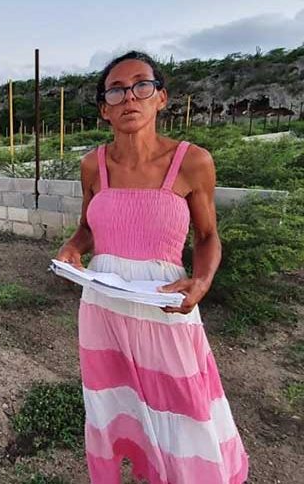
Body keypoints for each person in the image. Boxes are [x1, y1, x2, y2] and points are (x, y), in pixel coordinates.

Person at [55, 51, 249, 483]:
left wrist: (201, 280)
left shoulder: (192, 162)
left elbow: (206, 237)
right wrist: (72, 247)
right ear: (104, 109)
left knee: (182, 407)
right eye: (116, 90)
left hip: (164, 306)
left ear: (161, 98)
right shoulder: (93, 165)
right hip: (103, 309)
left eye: (142, 85)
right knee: (113, 402)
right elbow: (87, 228)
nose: (130, 98)